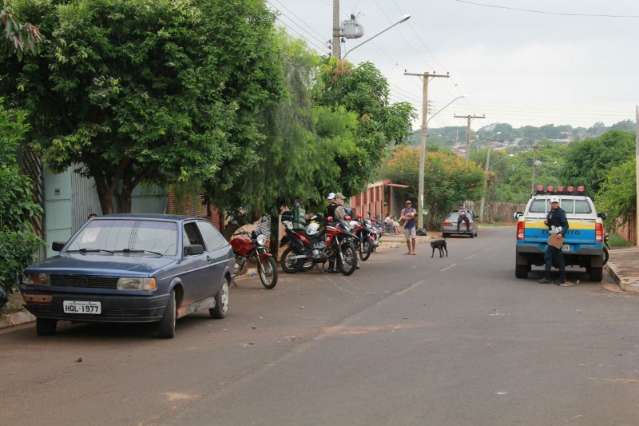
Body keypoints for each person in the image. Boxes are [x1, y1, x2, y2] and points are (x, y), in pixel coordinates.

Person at [539, 197, 569, 285]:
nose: (554, 204)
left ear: (558, 203)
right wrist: (547, 223)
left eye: (556, 203)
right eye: (553, 203)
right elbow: (551, 223)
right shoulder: (551, 212)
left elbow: (566, 226)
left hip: (557, 236)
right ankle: (562, 278)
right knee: (559, 257)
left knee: (548, 256)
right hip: (552, 236)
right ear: (550, 204)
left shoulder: (561, 212)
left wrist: (561, 234)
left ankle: (548, 278)